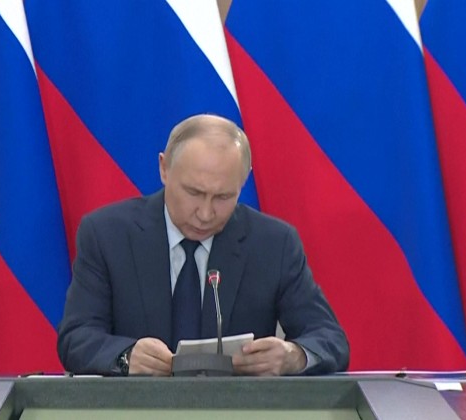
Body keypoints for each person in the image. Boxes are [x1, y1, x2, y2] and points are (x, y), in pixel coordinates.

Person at [57, 114, 349, 376]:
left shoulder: (274, 243)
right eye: (194, 193)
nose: (206, 214)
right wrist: (126, 356)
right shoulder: (107, 235)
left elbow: (329, 339)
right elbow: (76, 338)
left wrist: (293, 356)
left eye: (223, 197)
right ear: (164, 169)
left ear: (243, 182)